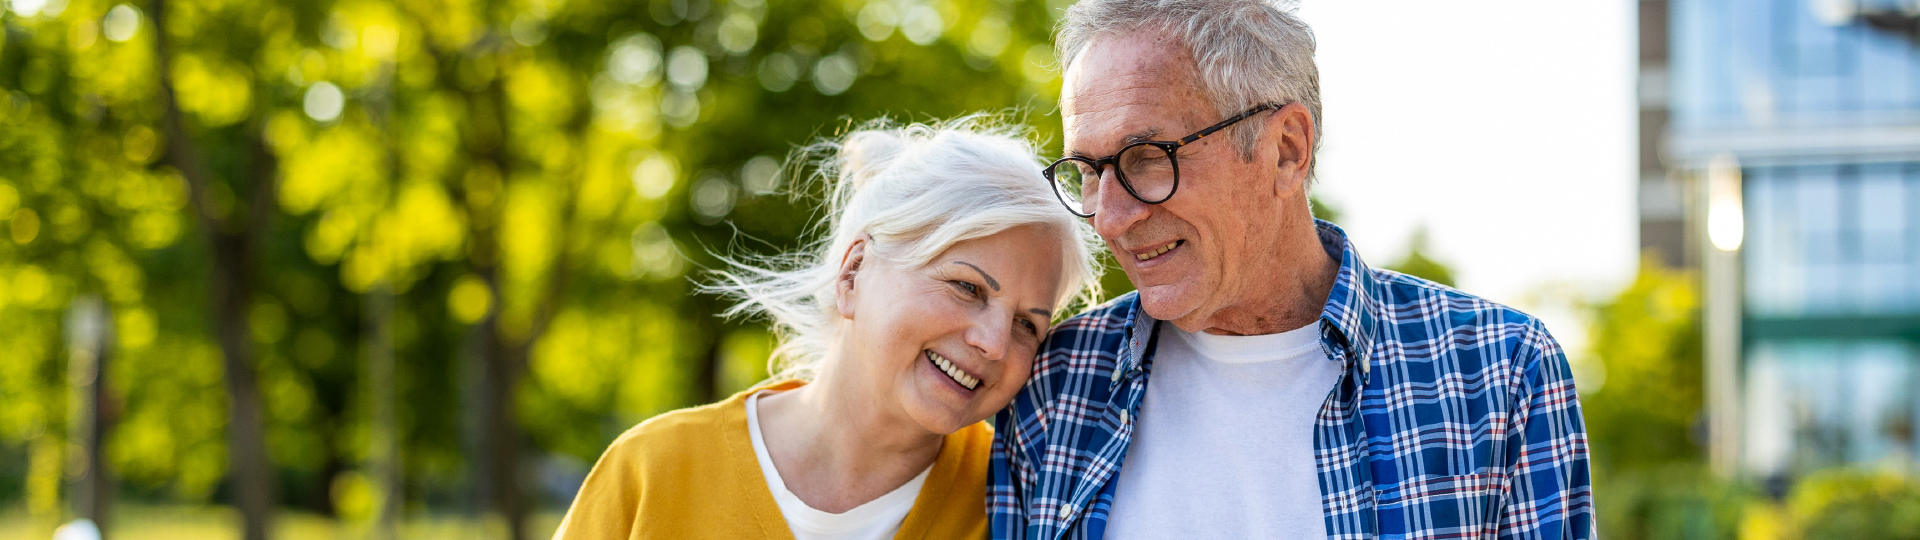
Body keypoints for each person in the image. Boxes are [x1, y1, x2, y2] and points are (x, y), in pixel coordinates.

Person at [989, 1, 1595, 538]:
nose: (1109, 218)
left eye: (1146, 158)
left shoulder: (1498, 373)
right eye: (1090, 172)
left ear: (1286, 150)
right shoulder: (1052, 383)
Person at [553, 119, 1103, 540]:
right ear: (854, 270)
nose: (993, 341)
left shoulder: (1020, 505)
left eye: (1028, 324)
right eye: (967, 287)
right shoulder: (652, 472)